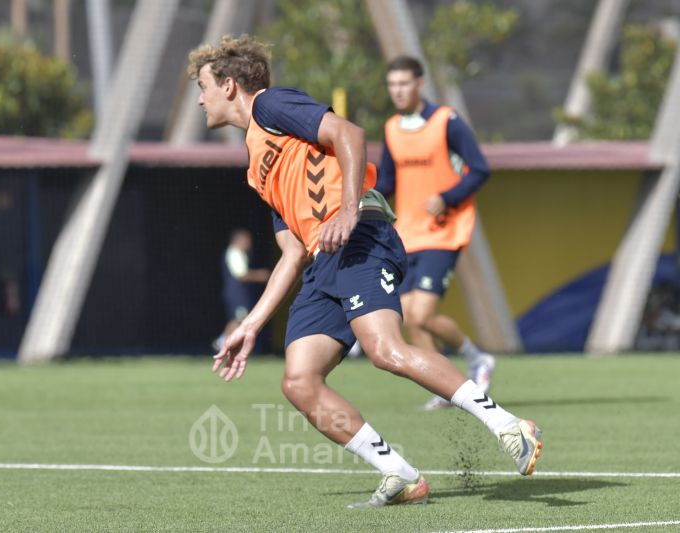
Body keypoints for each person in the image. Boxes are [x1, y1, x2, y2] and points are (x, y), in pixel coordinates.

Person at [188, 35, 542, 509]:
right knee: (299, 381)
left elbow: (349, 135)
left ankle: (509, 426)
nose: (199, 98)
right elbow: (291, 255)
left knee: (385, 350)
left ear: (230, 85)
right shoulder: (256, 168)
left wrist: (349, 210)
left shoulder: (271, 105)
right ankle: (399, 474)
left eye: (203, 85)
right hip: (322, 262)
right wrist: (250, 326)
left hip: (360, 239)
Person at [377, 56, 495, 411]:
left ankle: (478, 360)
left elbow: (479, 169)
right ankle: (446, 389)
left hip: (442, 233)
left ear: (419, 84)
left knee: (423, 314)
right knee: (409, 317)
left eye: (404, 83)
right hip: (406, 234)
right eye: (392, 84)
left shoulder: (447, 122)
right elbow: (387, 182)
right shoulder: (392, 129)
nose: (397, 90)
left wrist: (447, 197)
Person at [213, 228, 271, 351]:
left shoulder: (239, 253)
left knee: (239, 318)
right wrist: (261, 275)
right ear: (238, 240)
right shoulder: (234, 252)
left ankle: (225, 343)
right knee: (239, 319)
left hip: (237, 292)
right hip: (236, 293)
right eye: (246, 240)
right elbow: (241, 274)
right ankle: (222, 342)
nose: (249, 243)